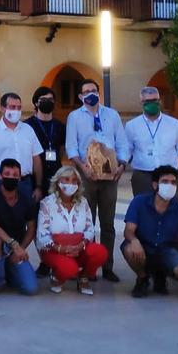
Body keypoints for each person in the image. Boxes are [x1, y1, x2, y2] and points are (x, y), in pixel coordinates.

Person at [65, 78, 128, 282]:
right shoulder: (74, 117)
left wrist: (122, 165)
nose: (90, 94)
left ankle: (107, 266)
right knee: (87, 224)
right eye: (86, 91)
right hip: (87, 175)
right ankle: (89, 266)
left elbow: (122, 142)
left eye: (93, 90)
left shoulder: (112, 115)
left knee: (108, 224)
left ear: (98, 92)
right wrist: (82, 167)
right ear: (80, 96)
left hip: (110, 174)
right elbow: (71, 146)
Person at [121, 165, 178, 301]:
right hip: (144, 247)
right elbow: (129, 230)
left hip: (167, 250)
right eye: (165, 182)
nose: (170, 185)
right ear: (155, 185)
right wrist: (135, 241)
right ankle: (142, 277)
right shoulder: (139, 202)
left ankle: (161, 275)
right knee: (129, 249)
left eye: (173, 182)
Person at [37, 166, 107, 295]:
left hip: (79, 248)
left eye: (74, 181)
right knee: (69, 269)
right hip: (55, 250)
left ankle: (83, 277)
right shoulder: (47, 203)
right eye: (66, 179)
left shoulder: (83, 202)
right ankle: (57, 277)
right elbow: (42, 236)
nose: (70, 184)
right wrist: (61, 249)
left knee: (100, 252)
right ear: (58, 182)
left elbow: (90, 229)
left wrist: (81, 245)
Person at [0, 159, 38, 296]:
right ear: (0, 176)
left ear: (20, 177)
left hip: (16, 246)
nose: (11, 177)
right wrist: (14, 245)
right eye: (7, 173)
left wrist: (21, 249)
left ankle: (8, 270)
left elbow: (31, 229)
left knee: (30, 288)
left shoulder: (26, 199)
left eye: (15, 174)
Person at [125, 86, 178, 197]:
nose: (152, 103)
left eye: (155, 100)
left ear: (159, 101)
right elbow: (127, 150)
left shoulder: (174, 124)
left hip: (168, 174)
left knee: (170, 209)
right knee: (143, 209)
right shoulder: (132, 126)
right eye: (147, 101)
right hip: (143, 174)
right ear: (141, 103)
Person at [0, 92, 43, 199]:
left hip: (24, 183)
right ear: (3, 108)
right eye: (12, 107)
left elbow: (36, 159)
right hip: (0, 183)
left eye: (19, 108)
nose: (16, 111)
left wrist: (38, 186)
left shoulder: (28, 130)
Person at [24, 86, 66, 198]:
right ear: (36, 103)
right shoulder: (27, 126)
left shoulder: (59, 126)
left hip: (55, 174)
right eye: (43, 99)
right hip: (34, 177)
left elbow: (61, 149)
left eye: (51, 99)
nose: (47, 102)